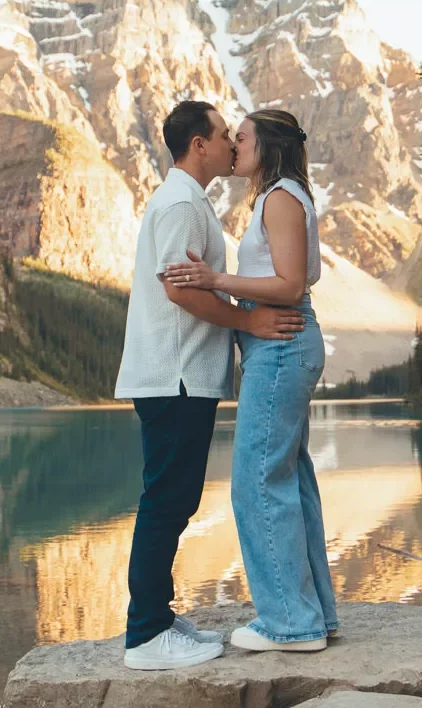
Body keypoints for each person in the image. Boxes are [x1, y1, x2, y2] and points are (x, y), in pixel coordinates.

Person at [115, 100, 307, 671]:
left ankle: (157, 618)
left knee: (172, 500)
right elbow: (179, 288)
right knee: (165, 503)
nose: (230, 144)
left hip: (182, 376)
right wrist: (249, 321)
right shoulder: (179, 203)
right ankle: (145, 635)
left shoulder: (187, 199)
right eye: (224, 135)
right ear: (199, 144)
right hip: (173, 376)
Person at [162, 108, 337, 653]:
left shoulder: (282, 195)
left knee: (257, 484)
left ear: (269, 146)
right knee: (289, 480)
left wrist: (215, 279)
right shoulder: (280, 194)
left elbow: (287, 284)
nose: (234, 147)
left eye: (242, 138)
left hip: (280, 344)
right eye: (230, 139)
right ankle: (314, 617)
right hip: (278, 346)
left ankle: (289, 625)